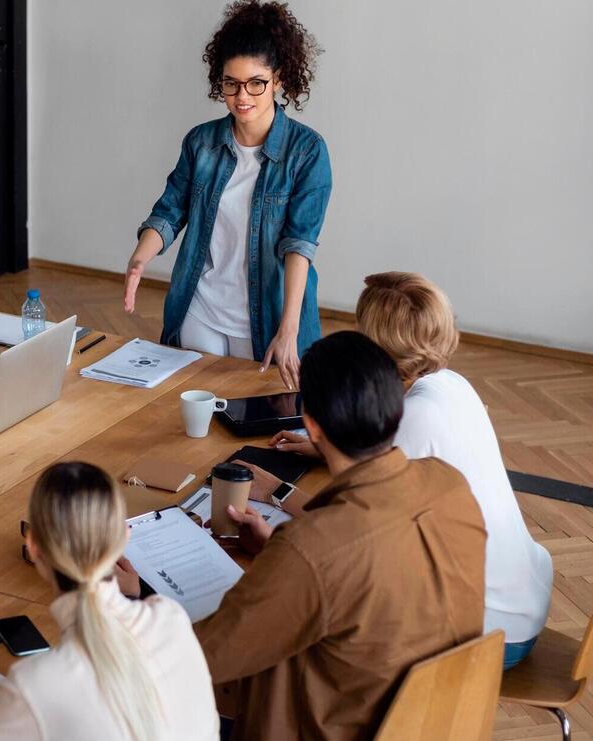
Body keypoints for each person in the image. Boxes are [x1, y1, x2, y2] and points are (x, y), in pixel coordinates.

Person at [195, 331, 486, 739]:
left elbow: (205, 658)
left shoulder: (312, 549)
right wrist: (277, 557)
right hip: (437, 720)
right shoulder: (450, 485)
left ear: (310, 425)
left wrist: (139, 597)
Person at [268, 272, 552, 670]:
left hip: (491, 632)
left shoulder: (416, 415)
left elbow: (346, 528)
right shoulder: (451, 384)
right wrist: (325, 449)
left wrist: (272, 491)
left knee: (322, 615)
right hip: (522, 597)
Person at [0, 462, 218, 741]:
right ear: (124, 538)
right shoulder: (171, 617)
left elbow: (70, 692)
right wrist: (3, 694)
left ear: (33, 546)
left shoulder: (36, 684)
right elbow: (108, 693)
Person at [124, 0, 331, 389]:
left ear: (279, 79)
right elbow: (170, 211)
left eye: (256, 82)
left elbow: (299, 247)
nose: (242, 96)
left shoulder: (306, 151)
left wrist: (288, 330)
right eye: (230, 83)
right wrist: (140, 258)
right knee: (190, 417)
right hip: (199, 309)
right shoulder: (201, 142)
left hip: (268, 317)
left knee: (258, 425)